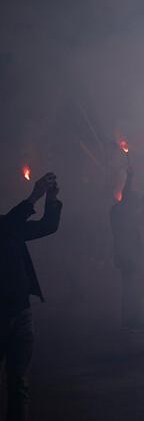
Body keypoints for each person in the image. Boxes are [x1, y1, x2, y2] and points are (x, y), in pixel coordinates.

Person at [1, 172, 62, 420]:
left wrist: (51, 199)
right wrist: (35, 195)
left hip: (21, 312)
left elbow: (47, 226)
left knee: (19, 383)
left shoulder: (9, 228)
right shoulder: (7, 226)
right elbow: (12, 223)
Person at [110, 166, 144, 332]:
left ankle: (130, 320)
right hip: (128, 256)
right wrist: (130, 178)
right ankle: (133, 321)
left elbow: (140, 219)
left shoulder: (120, 212)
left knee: (131, 288)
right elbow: (128, 201)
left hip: (127, 255)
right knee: (133, 289)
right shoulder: (120, 211)